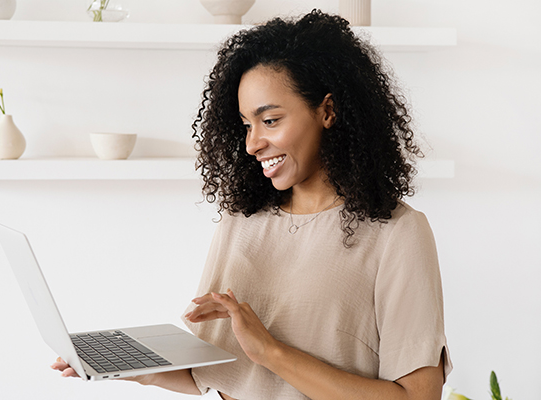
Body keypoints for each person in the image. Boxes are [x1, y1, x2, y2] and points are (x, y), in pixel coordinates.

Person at [53, 10, 452, 399]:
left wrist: (271, 352)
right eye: (246, 124)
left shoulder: (396, 233)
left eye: (271, 120)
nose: (252, 143)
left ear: (327, 111)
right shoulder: (241, 222)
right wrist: (136, 368)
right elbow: (217, 374)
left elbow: (418, 396)